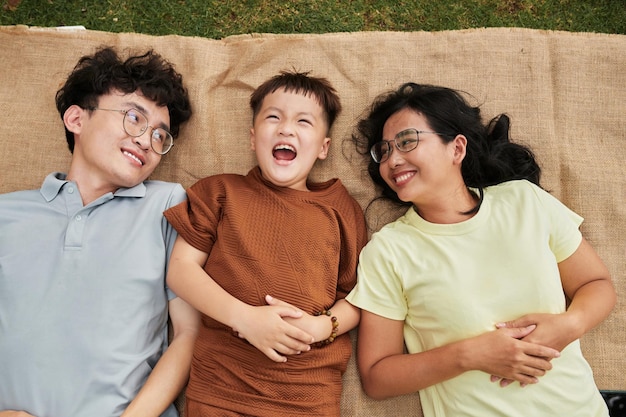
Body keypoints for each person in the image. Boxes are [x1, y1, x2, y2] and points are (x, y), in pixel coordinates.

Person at [346, 82, 615, 416]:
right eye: (383, 151)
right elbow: (377, 376)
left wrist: (571, 325)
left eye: (407, 141)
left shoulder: (525, 201)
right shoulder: (389, 251)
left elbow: (597, 284)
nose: (392, 159)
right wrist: (470, 355)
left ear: (456, 149)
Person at [0, 46, 199, 417]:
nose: (146, 141)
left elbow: (189, 334)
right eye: (133, 118)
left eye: (160, 136)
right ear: (76, 118)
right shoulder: (5, 214)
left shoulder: (166, 205)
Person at [163, 70, 368, 416]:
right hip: (223, 386)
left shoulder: (341, 209)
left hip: (307, 393)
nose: (286, 128)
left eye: (304, 122)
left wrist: (323, 326)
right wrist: (244, 318)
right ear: (253, 137)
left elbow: (361, 296)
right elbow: (180, 271)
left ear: (323, 147)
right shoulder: (221, 193)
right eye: (274, 117)